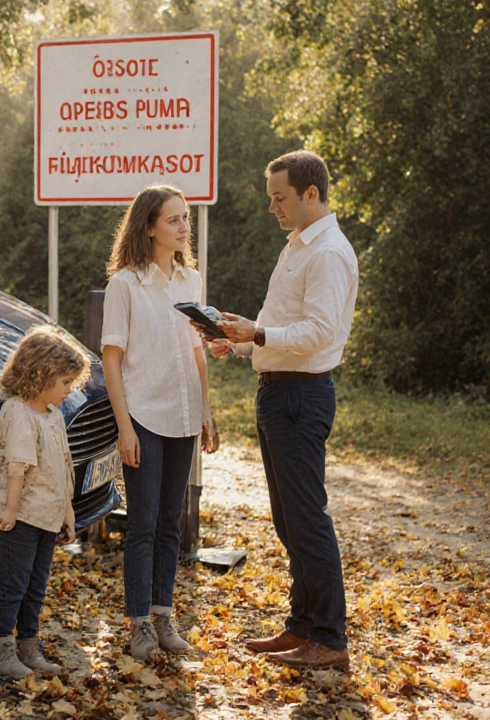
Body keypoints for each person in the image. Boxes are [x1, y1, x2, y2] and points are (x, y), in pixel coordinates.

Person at [204, 150, 358, 669]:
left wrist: (260, 333)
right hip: (277, 390)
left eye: (279, 198)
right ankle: (301, 627)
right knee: (289, 520)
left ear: (310, 194)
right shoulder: (296, 246)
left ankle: (330, 639)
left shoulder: (328, 253)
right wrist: (243, 342)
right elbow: (285, 329)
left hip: (300, 396)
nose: (273, 207)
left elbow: (319, 332)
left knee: (307, 519)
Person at [101, 185, 218, 662]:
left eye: (186, 219)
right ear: (149, 225)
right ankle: (138, 624)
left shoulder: (190, 281)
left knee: (172, 523)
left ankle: (163, 614)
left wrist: (206, 407)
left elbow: (197, 350)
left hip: (184, 414)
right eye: (174, 220)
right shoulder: (125, 284)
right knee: (143, 525)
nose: (183, 227)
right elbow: (111, 361)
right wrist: (124, 428)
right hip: (144, 416)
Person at [0, 326, 91, 678]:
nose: (69, 391)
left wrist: (68, 514)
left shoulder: (53, 415)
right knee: (13, 584)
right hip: (21, 518)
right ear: (41, 375)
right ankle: (0, 648)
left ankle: (28, 646)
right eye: (65, 383)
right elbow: (18, 467)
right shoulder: (18, 413)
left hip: (47, 517)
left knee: (36, 585)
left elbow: (63, 466)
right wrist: (11, 510)